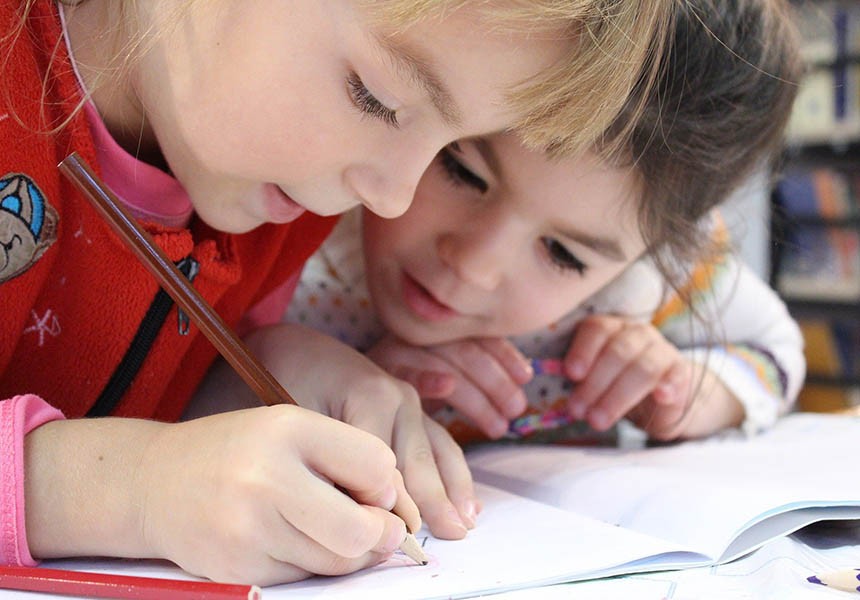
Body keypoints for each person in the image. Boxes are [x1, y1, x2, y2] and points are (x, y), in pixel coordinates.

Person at [0, 0, 674, 586]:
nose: (393, 197)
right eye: (374, 98)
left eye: (453, 143)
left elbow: (118, 393)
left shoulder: (281, 200)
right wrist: (136, 490)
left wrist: (256, 376)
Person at [285, 0, 806, 446]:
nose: (474, 265)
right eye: (462, 171)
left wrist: (693, 391)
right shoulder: (298, 209)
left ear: (656, 252)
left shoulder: (655, 283)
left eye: (564, 255)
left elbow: (776, 351)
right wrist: (321, 382)